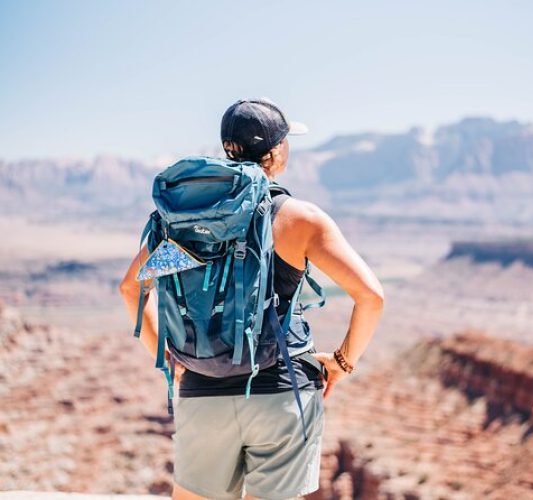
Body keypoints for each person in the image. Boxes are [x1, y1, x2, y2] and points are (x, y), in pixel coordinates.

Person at [118, 98, 385, 499]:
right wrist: (342, 362)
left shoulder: (183, 218)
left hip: (202, 390)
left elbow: (131, 288)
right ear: (276, 152)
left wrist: (171, 360)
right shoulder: (298, 219)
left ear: (229, 148)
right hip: (281, 390)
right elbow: (371, 296)